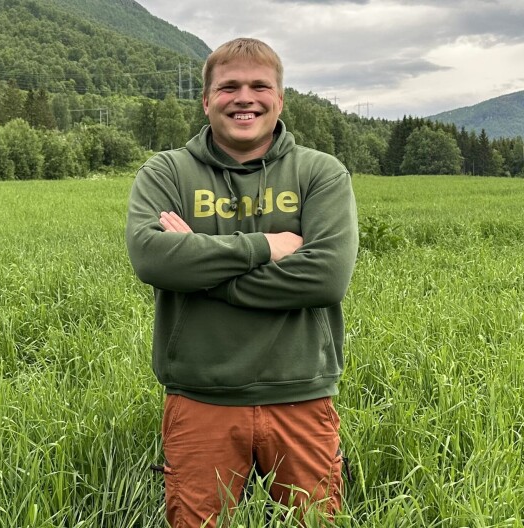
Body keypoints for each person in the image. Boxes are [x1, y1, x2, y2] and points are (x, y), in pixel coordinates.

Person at [125, 38, 358, 527]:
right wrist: (265, 247)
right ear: (207, 100)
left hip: (301, 393)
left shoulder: (320, 173)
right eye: (229, 86)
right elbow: (152, 258)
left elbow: (325, 278)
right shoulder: (166, 171)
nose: (244, 97)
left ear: (280, 98)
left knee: (314, 522)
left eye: (259, 86)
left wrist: (204, 276)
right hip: (199, 397)